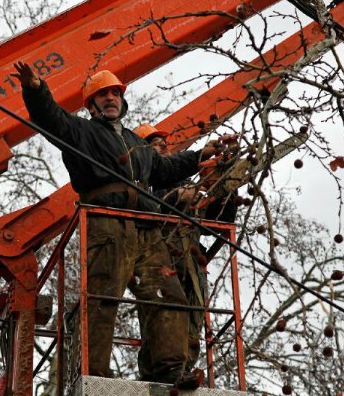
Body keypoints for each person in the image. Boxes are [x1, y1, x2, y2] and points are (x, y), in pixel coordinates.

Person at [11, 63, 223, 389]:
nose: (111, 98)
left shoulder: (135, 142)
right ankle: (93, 374)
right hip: (108, 226)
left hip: (145, 228)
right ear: (91, 104)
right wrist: (36, 90)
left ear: (123, 101)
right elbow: (51, 119)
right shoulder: (82, 132)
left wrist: (199, 157)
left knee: (168, 295)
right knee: (103, 298)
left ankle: (168, 371)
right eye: (103, 94)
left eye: (115, 93)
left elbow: (164, 168)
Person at [134, 123, 238, 378]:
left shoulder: (183, 179)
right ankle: (156, 374)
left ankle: (183, 371)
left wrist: (226, 187)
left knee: (193, 318)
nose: (162, 147)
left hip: (190, 257)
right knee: (161, 317)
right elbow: (137, 214)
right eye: (153, 144)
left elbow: (220, 220)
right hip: (157, 254)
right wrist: (173, 198)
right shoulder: (138, 181)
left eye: (163, 143)